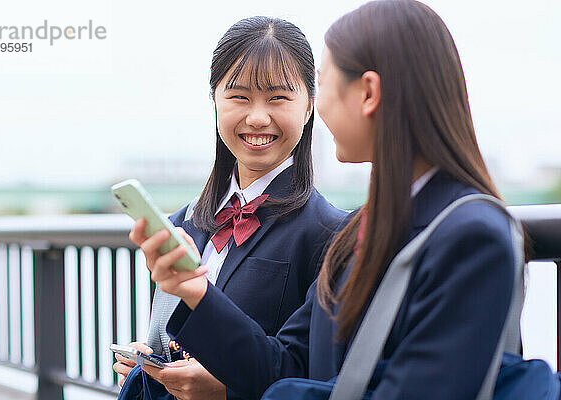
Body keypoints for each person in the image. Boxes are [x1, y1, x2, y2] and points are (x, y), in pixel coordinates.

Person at [131, 1, 520, 399]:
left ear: (368, 93)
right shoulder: (367, 227)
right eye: (239, 97)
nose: (260, 117)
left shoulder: (468, 234)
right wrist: (192, 295)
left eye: (324, 82)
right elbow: (295, 364)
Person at [115, 16, 348, 400]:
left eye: (278, 98)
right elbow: (173, 343)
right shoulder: (182, 224)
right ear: (215, 102)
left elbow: (312, 374)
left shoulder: (328, 234)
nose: (257, 117)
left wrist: (227, 390)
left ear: (309, 106)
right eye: (239, 97)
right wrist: (148, 365)